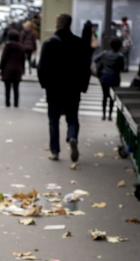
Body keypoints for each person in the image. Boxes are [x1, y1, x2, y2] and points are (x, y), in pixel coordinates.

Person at [37, 13, 90, 163]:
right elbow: (85, 67)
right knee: (72, 118)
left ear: (57, 25)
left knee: (53, 121)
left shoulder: (49, 43)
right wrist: (82, 86)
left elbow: (41, 68)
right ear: (69, 24)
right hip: (72, 89)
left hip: (54, 89)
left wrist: (45, 84)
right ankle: (72, 137)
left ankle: (55, 151)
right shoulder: (79, 43)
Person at [95, 37, 124, 120]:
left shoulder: (105, 53)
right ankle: (110, 115)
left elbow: (96, 59)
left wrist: (100, 67)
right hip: (114, 78)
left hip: (104, 77)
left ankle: (103, 115)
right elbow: (122, 68)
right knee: (111, 98)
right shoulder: (120, 56)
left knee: (104, 96)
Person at [0, 31, 25, 107]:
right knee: (16, 88)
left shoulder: (7, 47)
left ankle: (7, 103)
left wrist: (0, 69)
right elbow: (22, 60)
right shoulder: (21, 47)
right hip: (17, 69)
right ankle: (16, 103)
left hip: (7, 69)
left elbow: (3, 59)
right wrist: (23, 70)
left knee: (7, 88)